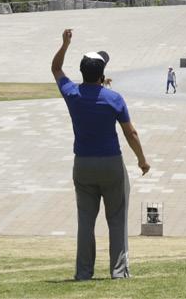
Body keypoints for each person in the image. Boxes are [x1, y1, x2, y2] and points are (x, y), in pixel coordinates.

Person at [51, 29, 149, 280]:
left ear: (82, 72)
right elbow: (131, 133)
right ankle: (118, 271)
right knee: (116, 219)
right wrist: (142, 160)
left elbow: (56, 69)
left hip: (82, 163)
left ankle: (84, 272)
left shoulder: (72, 93)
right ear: (102, 74)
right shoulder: (113, 98)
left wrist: (65, 44)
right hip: (111, 164)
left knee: (85, 221)